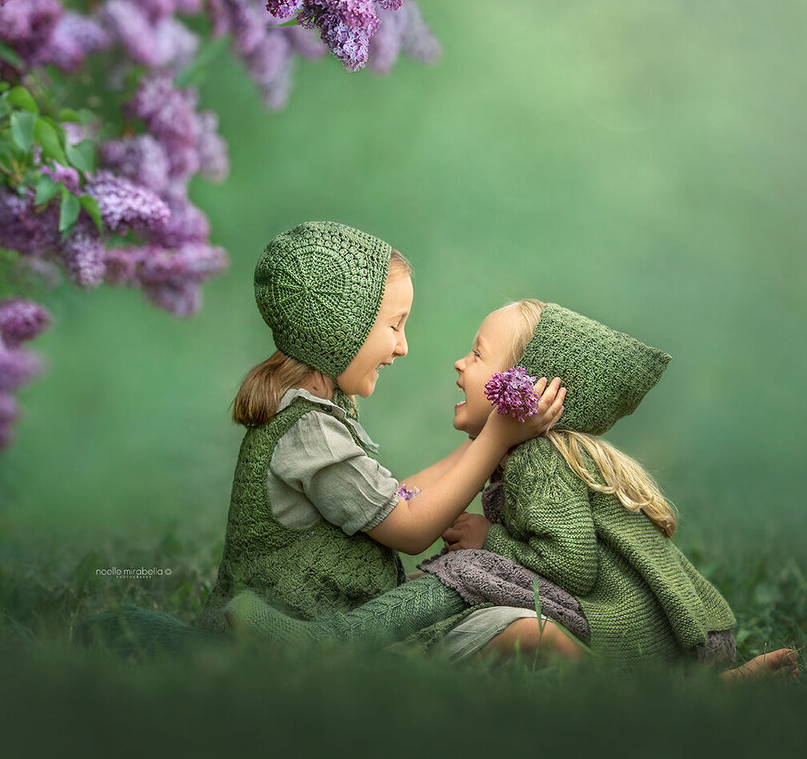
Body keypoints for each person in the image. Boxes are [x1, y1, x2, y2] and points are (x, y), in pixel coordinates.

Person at [229, 298, 799, 679]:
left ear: (518, 389)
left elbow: (568, 564)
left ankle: (334, 640)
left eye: (477, 355)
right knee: (479, 588)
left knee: (464, 572)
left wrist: (488, 540)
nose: (459, 363)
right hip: (648, 632)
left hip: (630, 627)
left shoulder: (537, 461)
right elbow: (401, 501)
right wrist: (496, 446)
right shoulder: (519, 455)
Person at [197, 222, 565, 654]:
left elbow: (394, 500)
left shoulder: (317, 414)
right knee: (461, 579)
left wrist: (482, 437)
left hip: (331, 617)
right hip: (293, 632)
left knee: (465, 585)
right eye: (394, 326)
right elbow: (409, 529)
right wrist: (497, 438)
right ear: (341, 331)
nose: (403, 346)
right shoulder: (309, 432)